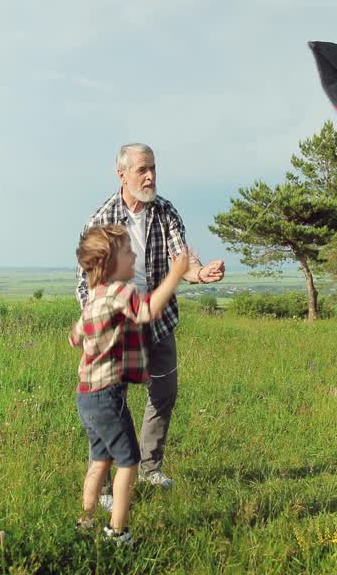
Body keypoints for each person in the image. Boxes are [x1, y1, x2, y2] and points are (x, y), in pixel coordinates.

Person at [76, 143, 225, 506]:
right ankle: (109, 487)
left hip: (157, 321)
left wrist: (200, 273)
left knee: (164, 393)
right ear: (121, 174)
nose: (150, 176)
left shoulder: (165, 211)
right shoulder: (102, 218)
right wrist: (94, 323)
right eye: (142, 169)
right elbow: (85, 282)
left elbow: (182, 259)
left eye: (153, 168)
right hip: (118, 326)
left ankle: (149, 467)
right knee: (113, 403)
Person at [70, 224, 190, 546]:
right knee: (129, 463)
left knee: (99, 459)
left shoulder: (94, 298)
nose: (134, 255)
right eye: (127, 252)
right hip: (108, 397)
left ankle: (85, 519)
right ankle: (118, 531)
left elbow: (74, 337)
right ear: (110, 262)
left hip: (86, 397)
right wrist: (176, 273)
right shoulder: (121, 292)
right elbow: (148, 310)